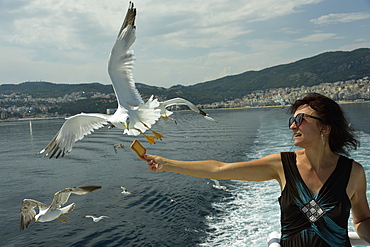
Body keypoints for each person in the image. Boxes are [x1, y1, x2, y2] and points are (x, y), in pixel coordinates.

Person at [141, 93, 370, 246]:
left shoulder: (353, 173)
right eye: (292, 119)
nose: (292, 125)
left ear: (325, 128)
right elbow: (221, 169)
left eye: (300, 119)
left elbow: (361, 221)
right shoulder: (282, 165)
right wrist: (168, 164)